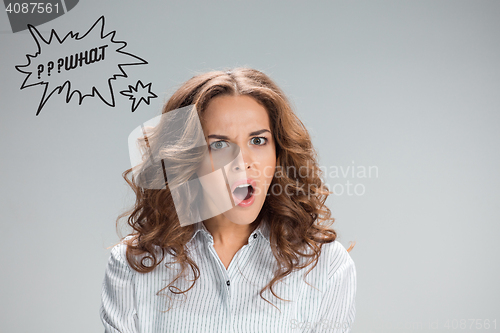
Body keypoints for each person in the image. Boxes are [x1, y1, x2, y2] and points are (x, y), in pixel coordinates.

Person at [100, 68, 356, 332]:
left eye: (258, 140)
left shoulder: (326, 264)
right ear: (187, 158)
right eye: (219, 144)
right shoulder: (133, 264)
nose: (243, 163)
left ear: (278, 153)